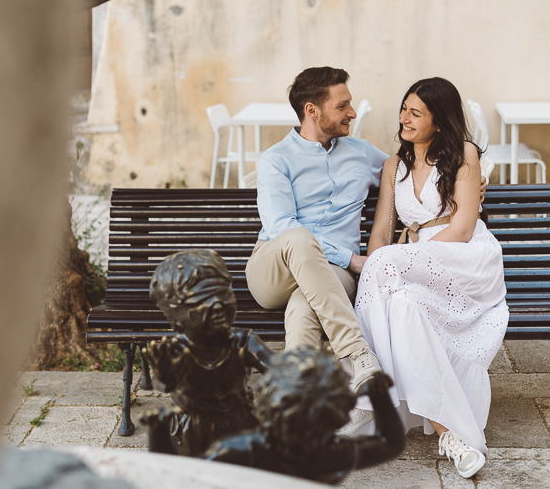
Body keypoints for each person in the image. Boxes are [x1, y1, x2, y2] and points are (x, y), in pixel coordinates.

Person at [353, 77, 509, 479]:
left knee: (383, 265)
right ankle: (451, 434)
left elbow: (461, 227)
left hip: (465, 257)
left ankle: (367, 397)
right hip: (416, 263)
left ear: (439, 121)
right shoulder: (393, 166)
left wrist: (390, 261)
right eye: (403, 108)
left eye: (415, 112)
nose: (404, 117)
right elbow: (382, 231)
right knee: (400, 305)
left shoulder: (464, 154)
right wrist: (380, 263)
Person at [245, 67, 389, 401]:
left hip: (330, 277)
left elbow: (412, 173)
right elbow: (281, 225)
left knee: (304, 307)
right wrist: (349, 259)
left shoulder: (362, 152)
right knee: (297, 236)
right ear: (312, 110)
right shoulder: (276, 160)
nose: (352, 113)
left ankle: (297, 407)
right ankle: (356, 353)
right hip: (274, 270)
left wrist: (466, 178)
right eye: (343, 106)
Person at [142, 347, 405, 485]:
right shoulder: (330, 452)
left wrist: (159, 436)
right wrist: (379, 398)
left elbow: (177, 478)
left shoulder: (247, 449)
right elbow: (389, 444)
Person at [141, 249, 273, 456]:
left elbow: (277, 369)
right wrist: (164, 373)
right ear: (175, 315)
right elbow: (165, 384)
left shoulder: (243, 341)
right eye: (204, 299)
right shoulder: (178, 349)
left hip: (239, 422)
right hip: (192, 429)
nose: (218, 305)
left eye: (224, 293)